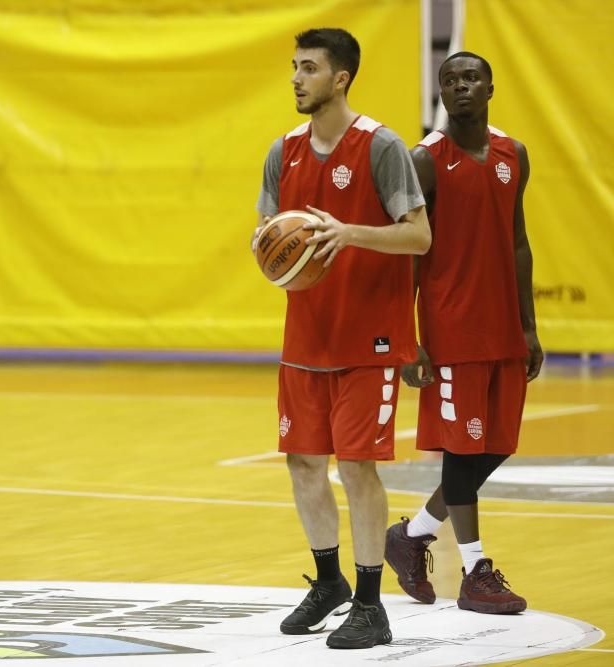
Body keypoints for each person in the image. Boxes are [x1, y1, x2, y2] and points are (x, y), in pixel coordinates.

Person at [254, 29, 430, 649]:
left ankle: (371, 603)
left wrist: (349, 233)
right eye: (294, 67)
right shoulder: (284, 150)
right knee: (303, 464)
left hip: (368, 340)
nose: (297, 78)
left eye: (309, 68)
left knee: (357, 468)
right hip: (305, 337)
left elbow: (419, 237)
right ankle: (328, 580)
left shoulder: (380, 146)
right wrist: (269, 250)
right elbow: (270, 232)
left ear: (341, 78)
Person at [384, 51, 542, 614]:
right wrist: (408, 337)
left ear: (490, 87)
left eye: (471, 78)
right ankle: (476, 572)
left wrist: (528, 324)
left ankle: (412, 535)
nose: (461, 87)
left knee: (494, 445)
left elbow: (518, 242)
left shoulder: (513, 154)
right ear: (441, 93)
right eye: (450, 80)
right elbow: (406, 259)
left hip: (503, 327)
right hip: (451, 329)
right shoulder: (424, 159)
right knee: (461, 449)